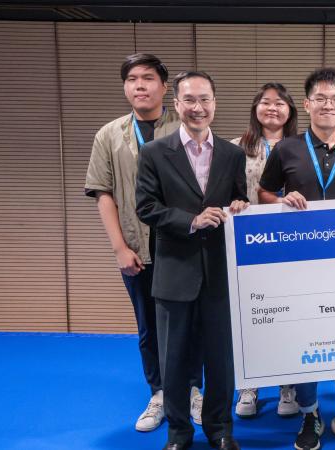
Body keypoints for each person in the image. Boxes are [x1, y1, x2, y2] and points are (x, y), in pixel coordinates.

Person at [258, 68, 335, 450]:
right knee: (306, 339)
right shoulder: (286, 149)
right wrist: (280, 201)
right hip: (297, 264)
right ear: (307, 105)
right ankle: (309, 414)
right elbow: (263, 193)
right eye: (320, 99)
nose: (328, 105)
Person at [84, 53, 202, 433]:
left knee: (190, 322)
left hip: (184, 246)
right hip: (138, 249)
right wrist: (120, 247)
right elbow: (104, 194)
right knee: (149, 326)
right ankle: (160, 392)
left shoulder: (185, 126)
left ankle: (193, 389)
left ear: (164, 87)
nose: (139, 85)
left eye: (148, 78)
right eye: (132, 78)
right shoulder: (109, 134)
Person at [136, 70, 249, 450]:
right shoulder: (155, 151)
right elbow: (146, 206)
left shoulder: (233, 155)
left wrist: (240, 205)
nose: (198, 108)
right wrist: (191, 221)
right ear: (177, 105)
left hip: (220, 272)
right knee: (175, 360)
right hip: (174, 271)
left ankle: (220, 430)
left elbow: (239, 199)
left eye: (205, 100)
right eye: (190, 100)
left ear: (215, 104)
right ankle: (179, 433)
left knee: (222, 360)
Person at [230, 82, 299, 419]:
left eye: (280, 103)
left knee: (289, 316)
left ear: (291, 110)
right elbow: (223, 190)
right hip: (250, 244)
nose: (272, 108)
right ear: (255, 108)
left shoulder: (304, 147)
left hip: (295, 244)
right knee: (251, 317)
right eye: (265, 102)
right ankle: (249, 386)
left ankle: (288, 385)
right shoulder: (234, 148)